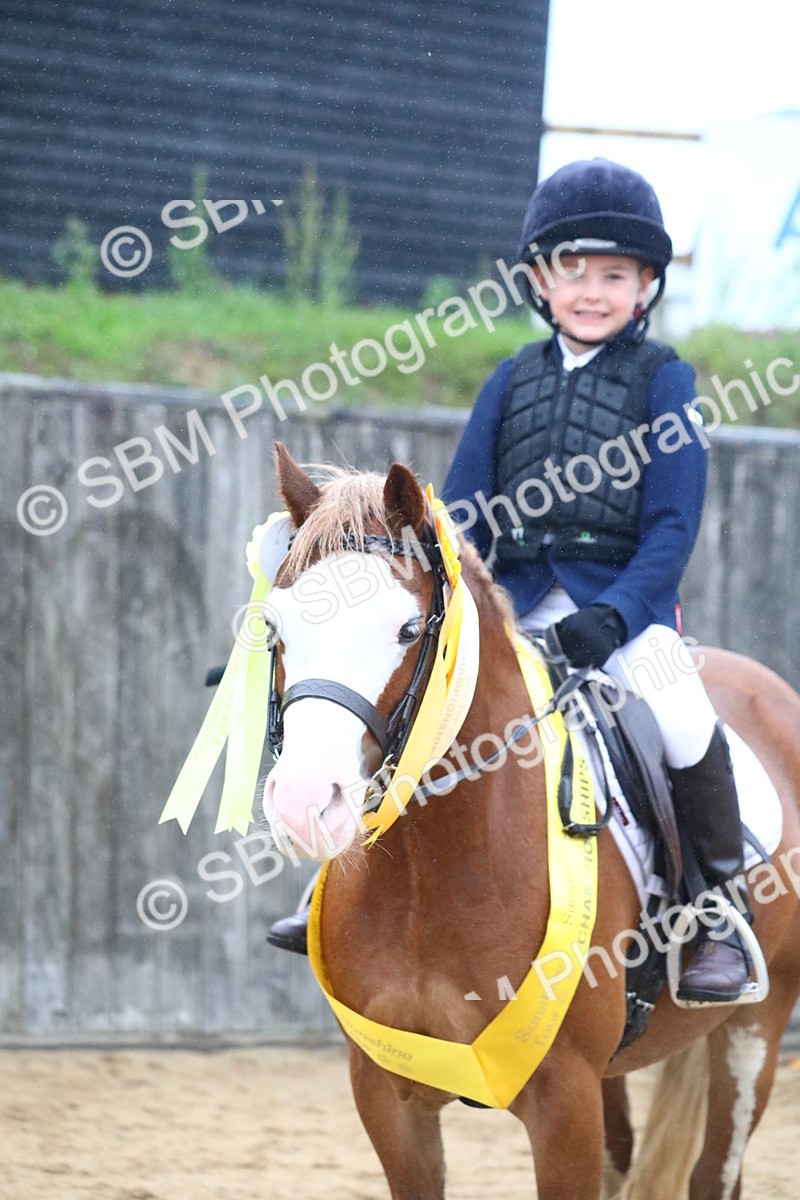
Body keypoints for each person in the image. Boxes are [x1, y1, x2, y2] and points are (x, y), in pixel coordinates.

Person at [268, 158, 758, 1004]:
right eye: (574, 272)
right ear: (540, 280)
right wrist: (464, 598)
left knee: (682, 717)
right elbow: (459, 512)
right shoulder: (512, 379)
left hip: (626, 609)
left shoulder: (665, 379)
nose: (593, 291)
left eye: (615, 275)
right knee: (411, 699)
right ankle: (336, 877)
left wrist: (614, 616)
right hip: (511, 600)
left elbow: (673, 527)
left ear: (646, 287)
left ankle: (713, 915)